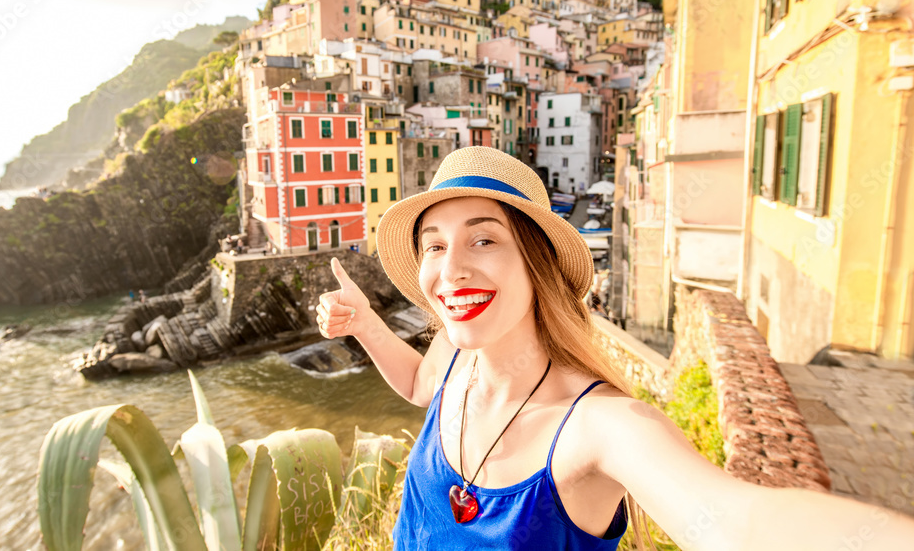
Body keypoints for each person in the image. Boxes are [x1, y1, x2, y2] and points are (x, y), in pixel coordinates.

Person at [317, 147, 914, 550]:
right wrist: (368, 326)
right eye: (434, 245)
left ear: (537, 262)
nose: (452, 270)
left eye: (483, 239)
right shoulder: (455, 355)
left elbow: (733, 522)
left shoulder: (597, 428)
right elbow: (420, 387)